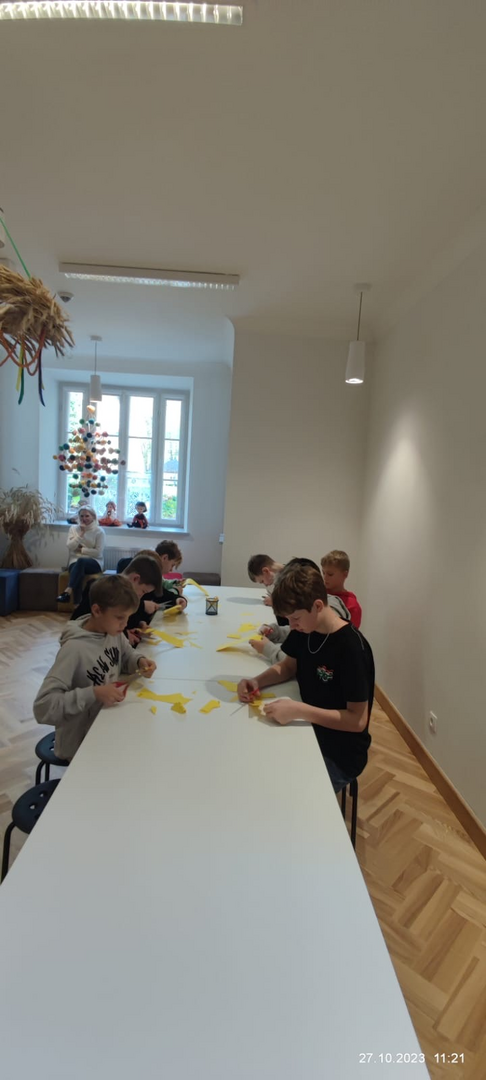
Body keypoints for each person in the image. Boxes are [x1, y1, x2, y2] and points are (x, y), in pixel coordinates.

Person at [238, 563, 374, 793]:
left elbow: (357, 721)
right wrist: (256, 681)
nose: (292, 625)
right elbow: (288, 667)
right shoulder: (304, 630)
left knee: (284, 792)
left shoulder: (351, 648)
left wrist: (299, 710)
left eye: (295, 618)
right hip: (308, 729)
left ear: (317, 606)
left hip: (338, 753)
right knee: (257, 767)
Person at [34, 575, 157, 762]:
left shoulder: (112, 631)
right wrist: (93, 693)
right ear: (97, 610)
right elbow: (43, 707)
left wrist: (139, 661)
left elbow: (125, 655)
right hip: (79, 746)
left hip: (105, 727)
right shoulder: (73, 650)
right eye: (120, 618)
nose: (125, 625)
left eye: (128, 618)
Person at [250, 558, 351, 662]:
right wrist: (276, 632)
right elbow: (299, 633)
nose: (292, 626)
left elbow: (301, 663)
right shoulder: (310, 617)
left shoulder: (329, 627)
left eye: (295, 618)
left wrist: (267, 649)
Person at [71, 554, 163, 645]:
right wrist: (124, 635)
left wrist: (138, 624)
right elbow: (98, 624)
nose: (142, 596)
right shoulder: (105, 590)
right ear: (135, 579)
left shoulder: (123, 595)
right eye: (143, 591)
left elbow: (123, 619)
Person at [117, 540, 187, 617]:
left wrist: (177, 599)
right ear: (135, 578)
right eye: (144, 591)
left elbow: (161, 594)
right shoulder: (117, 594)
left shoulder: (144, 581)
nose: (171, 570)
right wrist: (143, 606)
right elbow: (123, 608)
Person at [57, 508, 105, 605]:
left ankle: (68, 591)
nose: (84, 518)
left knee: (81, 561)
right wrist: (81, 533)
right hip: (75, 561)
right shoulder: (73, 529)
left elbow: (98, 552)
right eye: (82, 516)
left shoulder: (99, 531)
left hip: (94, 562)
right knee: (79, 570)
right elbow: (70, 546)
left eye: (87, 516)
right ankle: (77, 606)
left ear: (93, 517)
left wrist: (81, 550)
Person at [320, 550, 362, 628]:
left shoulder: (352, 606)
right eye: (323, 573)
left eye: (330, 574)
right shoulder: (318, 594)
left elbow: (350, 634)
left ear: (345, 574)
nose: (325, 577)